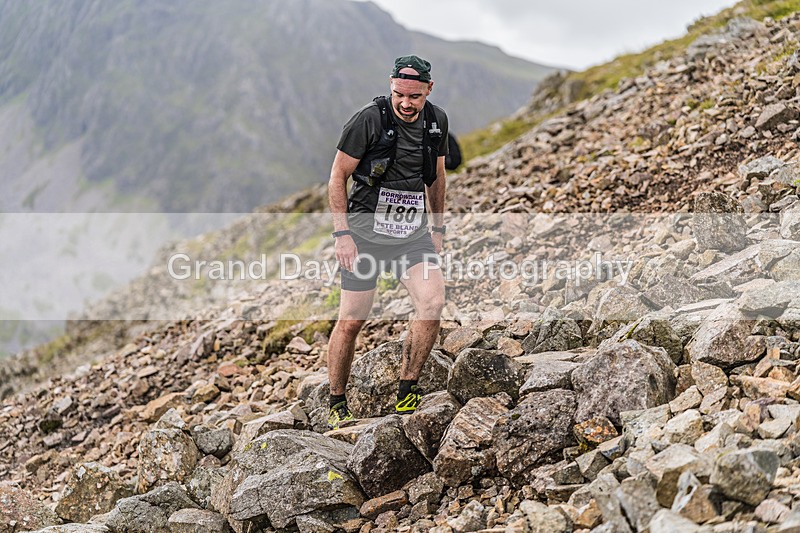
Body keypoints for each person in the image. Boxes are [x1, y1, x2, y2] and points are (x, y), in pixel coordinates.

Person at [326, 55, 449, 429]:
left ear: (428, 89)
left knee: (432, 302)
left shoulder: (436, 121)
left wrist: (438, 227)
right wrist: (342, 234)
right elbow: (336, 177)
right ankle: (336, 401)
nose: (406, 103)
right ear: (390, 85)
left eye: (414, 96)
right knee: (352, 320)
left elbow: (437, 178)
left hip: (411, 235)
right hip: (364, 236)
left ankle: (407, 391)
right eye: (399, 94)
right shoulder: (369, 119)